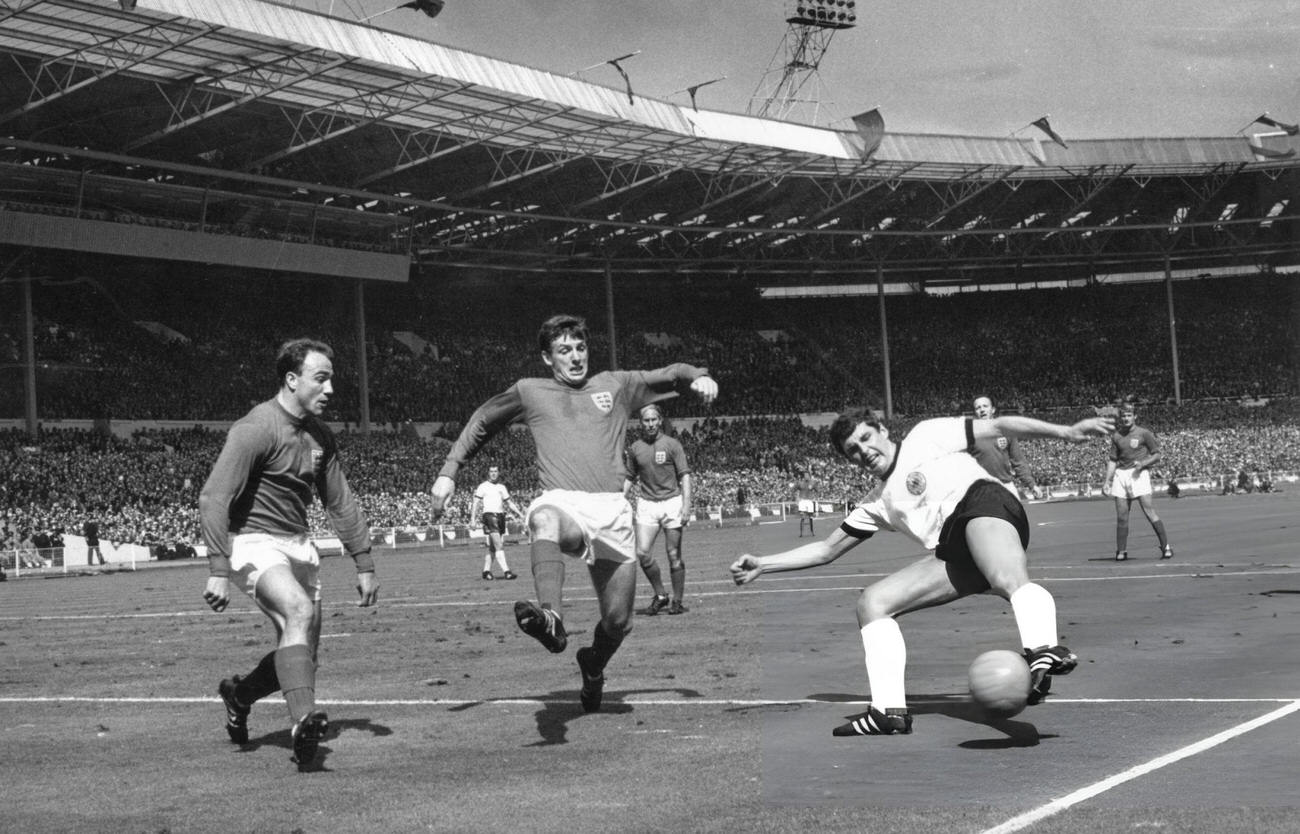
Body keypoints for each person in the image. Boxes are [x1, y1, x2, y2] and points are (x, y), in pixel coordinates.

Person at [729, 401, 1112, 737]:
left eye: (866, 437)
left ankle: (1043, 649)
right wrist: (764, 564)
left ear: (882, 430)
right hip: (953, 550)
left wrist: (1066, 432)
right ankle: (887, 712)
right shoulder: (876, 503)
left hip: (984, 503)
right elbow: (827, 550)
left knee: (1007, 578)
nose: (863, 450)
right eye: (852, 449)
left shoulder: (924, 436)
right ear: (848, 459)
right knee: (873, 603)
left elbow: (997, 427)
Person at [430, 314, 717, 713]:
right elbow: (483, 420)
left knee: (618, 623)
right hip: (563, 501)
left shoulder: (615, 385)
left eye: (580, 347)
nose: (576, 356)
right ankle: (551, 616)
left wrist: (698, 375)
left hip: (612, 512)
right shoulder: (530, 391)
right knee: (542, 518)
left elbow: (668, 374)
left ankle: (592, 664)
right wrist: (449, 471)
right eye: (565, 350)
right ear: (548, 358)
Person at [199, 338, 380, 770]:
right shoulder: (256, 427)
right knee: (297, 610)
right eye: (322, 378)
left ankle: (239, 695)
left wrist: (364, 561)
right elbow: (213, 497)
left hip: (299, 544)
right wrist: (218, 569)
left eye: (331, 378)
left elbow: (341, 501)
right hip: (254, 542)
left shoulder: (320, 435)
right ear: (292, 379)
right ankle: (303, 723)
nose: (331, 388)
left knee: (301, 653)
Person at [623, 403, 692, 616]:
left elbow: (685, 476)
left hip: (672, 502)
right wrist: (617, 500)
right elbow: (629, 478)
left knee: (673, 554)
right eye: (646, 420)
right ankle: (661, 595)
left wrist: (687, 504)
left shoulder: (672, 444)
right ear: (641, 422)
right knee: (642, 553)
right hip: (647, 504)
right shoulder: (634, 448)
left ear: (660, 420)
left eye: (654, 419)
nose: (651, 424)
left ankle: (677, 601)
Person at [1102, 403, 1173, 562]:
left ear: (1135, 416)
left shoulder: (1144, 433)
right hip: (1121, 475)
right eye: (1123, 416)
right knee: (1122, 516)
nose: (1126, 418)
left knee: (1149, 511)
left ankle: (1166, 547)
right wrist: (1107, 481)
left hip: (1139, 474)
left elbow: (1157, 455)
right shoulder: (1116, 436)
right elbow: (1113, 460)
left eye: (1129, 415)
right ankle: (1121, 551)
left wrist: (1143, 463)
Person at [970, 396, 1043, 500]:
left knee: (1016, 514)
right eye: (978, 408)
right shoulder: (970, 435)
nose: (982, 410)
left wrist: (1032, 485)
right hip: (981, 488)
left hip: (1005, 485)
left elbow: (1018, 461)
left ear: (993, 410)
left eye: (985, 406)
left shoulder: (1006, 431)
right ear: (975, 412)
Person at [471, 465, 521, 580]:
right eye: (491, 471)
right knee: (499, 545)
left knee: (493, 548)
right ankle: (507, 572)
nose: (493, 473)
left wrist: (521, 514)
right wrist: (472, 519)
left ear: (498, 473)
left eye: (495, 471)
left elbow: (509, 503)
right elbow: (476, 503)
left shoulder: (502, 487)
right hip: (489, 516)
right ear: (488, 473)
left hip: (500, 516)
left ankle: (486, 571)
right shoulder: (483, 486)